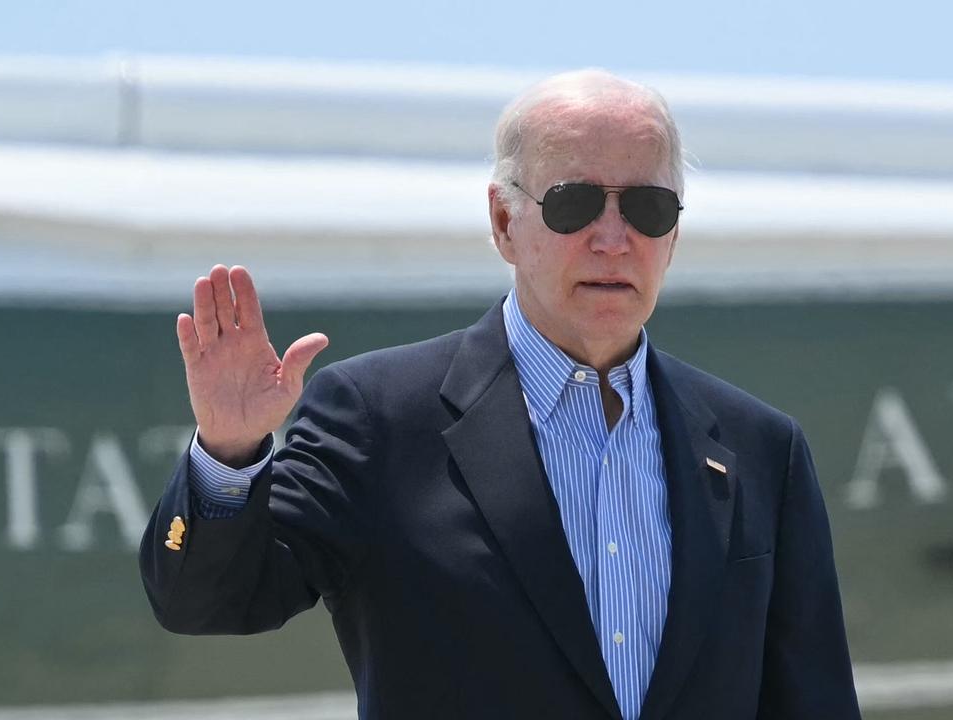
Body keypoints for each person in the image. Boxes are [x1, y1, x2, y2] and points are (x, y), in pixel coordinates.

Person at [139, 69, 862, 720]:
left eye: (646, 208)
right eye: (576, 203)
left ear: (673, 235)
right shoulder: (379, 416)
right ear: (503, 221)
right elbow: (210, 601)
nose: (613, 238)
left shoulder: (760, 448)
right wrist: (229, 452)